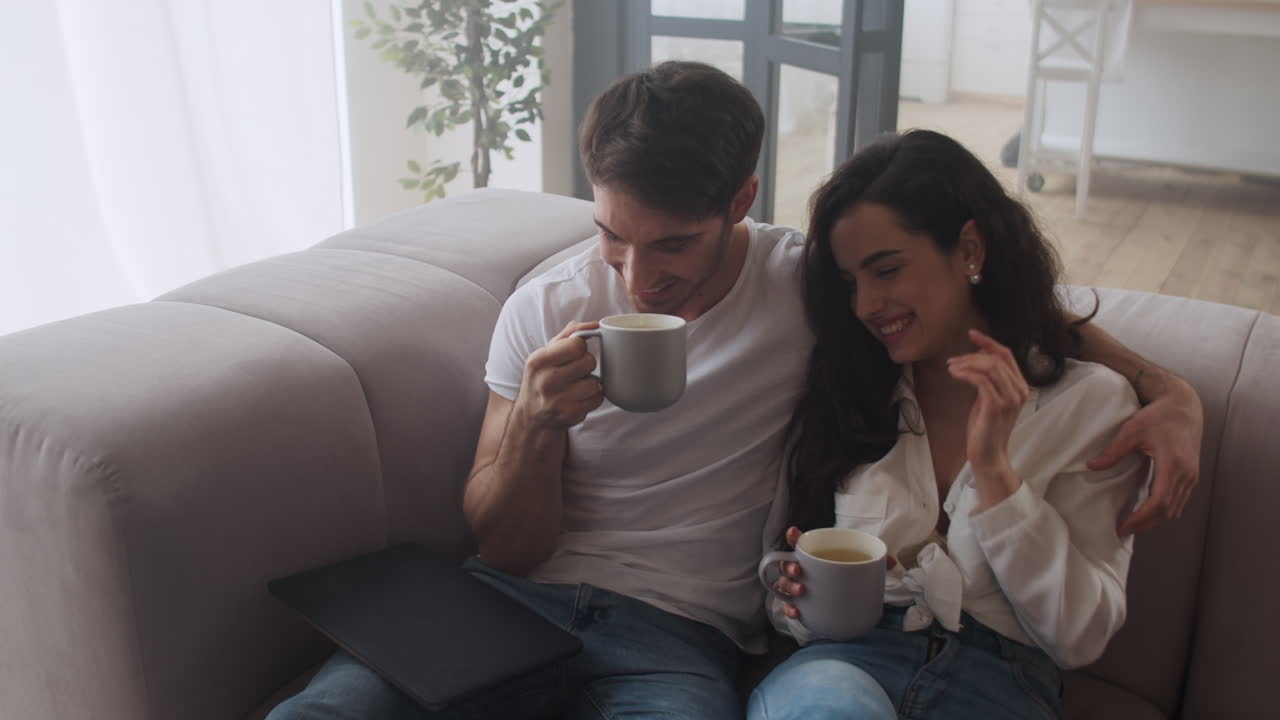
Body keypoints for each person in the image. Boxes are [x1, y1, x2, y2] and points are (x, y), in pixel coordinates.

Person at [268, 63, 1202, 720]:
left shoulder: (814, 289)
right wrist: (538, 430)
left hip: (677, 642)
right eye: (612, 236)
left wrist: (1166, 389)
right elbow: (503, 546)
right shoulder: (544, 307)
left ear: (742, 199)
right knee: (327, 710)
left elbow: (977, 308)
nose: (637, 279)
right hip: (503, 606)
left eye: (672, 244)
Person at [748, 129, 1152, 720]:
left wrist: (996, 476)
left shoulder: (1093, 405)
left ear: (969, 249)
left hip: (999, 684)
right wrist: (795, 599)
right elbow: (783, 593)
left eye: (886, 270)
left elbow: (1078, 636)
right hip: (842, 671)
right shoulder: (850, 390)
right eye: (850, 282)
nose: (864, 306)